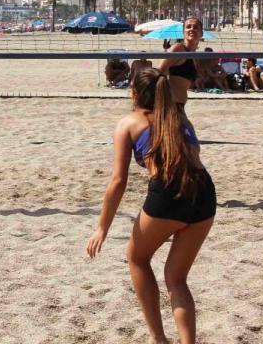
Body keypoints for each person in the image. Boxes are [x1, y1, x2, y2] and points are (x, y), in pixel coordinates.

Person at [86, 65, 215, 344]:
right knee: (176, 279)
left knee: (136, 258)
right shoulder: (180, 118)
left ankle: (158, 339)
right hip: (204, 191)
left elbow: (118, 180)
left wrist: (102, 228)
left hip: (168, 192)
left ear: (134, 93)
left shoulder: (129, 123)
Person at [157, 16, 204, 118]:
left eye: (195, 27)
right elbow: (158, 72)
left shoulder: (194, 55)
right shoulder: (178, 49)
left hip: (179, 106)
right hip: (171, 106)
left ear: (201, 33)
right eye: (188, 27)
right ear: (183, 32)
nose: (192, 29)